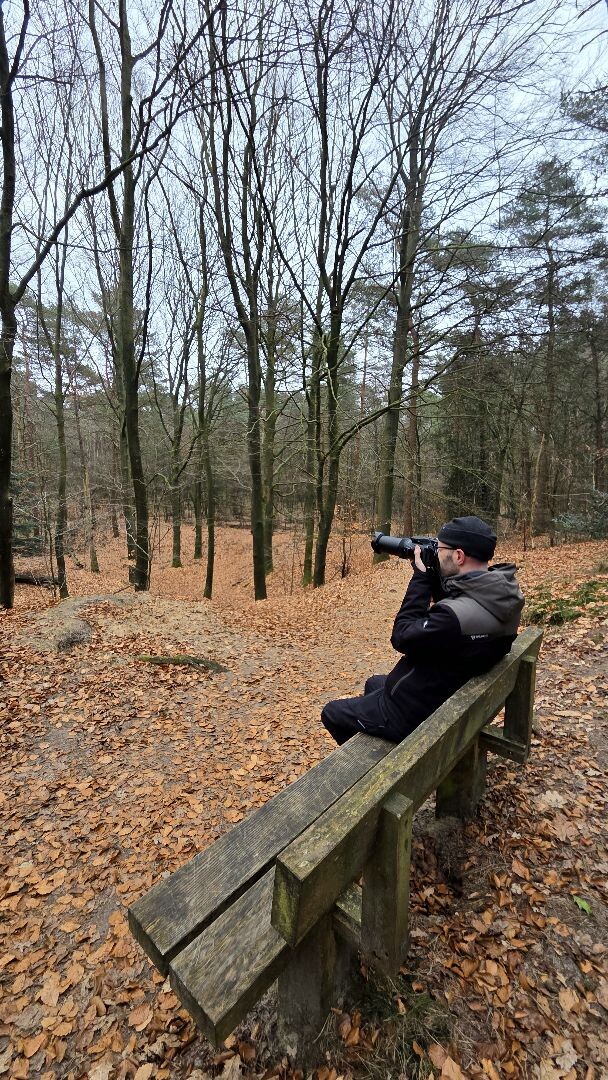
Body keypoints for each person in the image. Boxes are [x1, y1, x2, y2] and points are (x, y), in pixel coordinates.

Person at [321, 515, 524, 745]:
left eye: (441, 548)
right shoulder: (503, 596)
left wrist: (421, 577)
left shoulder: (452, 619)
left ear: (459, 556)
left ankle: (378, 765)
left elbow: (401, 636)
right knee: (373, 683)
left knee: (332, 712)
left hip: (414, 714)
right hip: (450, 691)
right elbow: (456, 610)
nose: (437, 553)